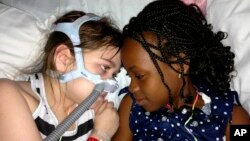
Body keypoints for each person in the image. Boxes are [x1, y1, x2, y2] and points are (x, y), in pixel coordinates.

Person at [112, 0, 250, 141]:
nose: (132, 87)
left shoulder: (233, 117)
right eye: (130, 76)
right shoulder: (131, 106)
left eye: (139, 76)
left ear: (180, 63)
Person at [0, 10, 122, 141]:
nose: (111, 84)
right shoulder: (7, 94)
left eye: (113, 75)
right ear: (64, 60)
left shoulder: (97, 116)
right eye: (104, 68)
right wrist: (101, 135)